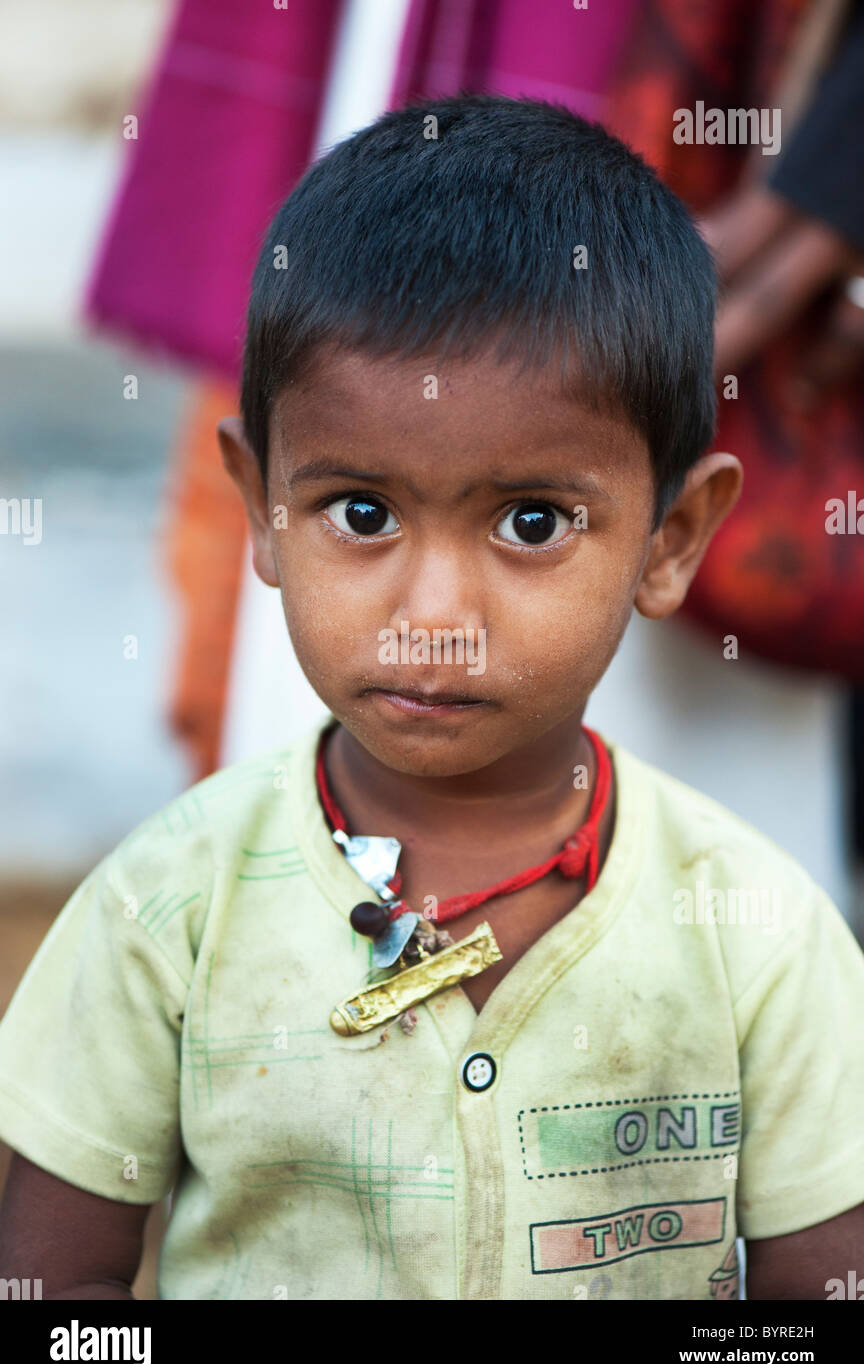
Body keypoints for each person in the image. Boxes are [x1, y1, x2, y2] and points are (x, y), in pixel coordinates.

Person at [1, 95, 863, 1301]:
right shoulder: (164, 913)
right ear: (261, 510)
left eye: (531, 522)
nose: (434, 612)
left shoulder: (760, 935)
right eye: (362, 511)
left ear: (671, 540)